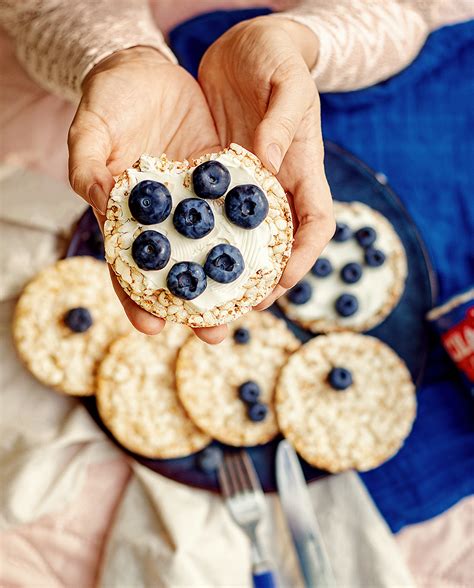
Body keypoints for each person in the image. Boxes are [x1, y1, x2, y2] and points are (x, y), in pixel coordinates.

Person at [0, 0, 450, 343]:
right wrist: (113, 54)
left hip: (280, 98)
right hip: (73, 100)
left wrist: (304, 40)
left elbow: (412, 8)